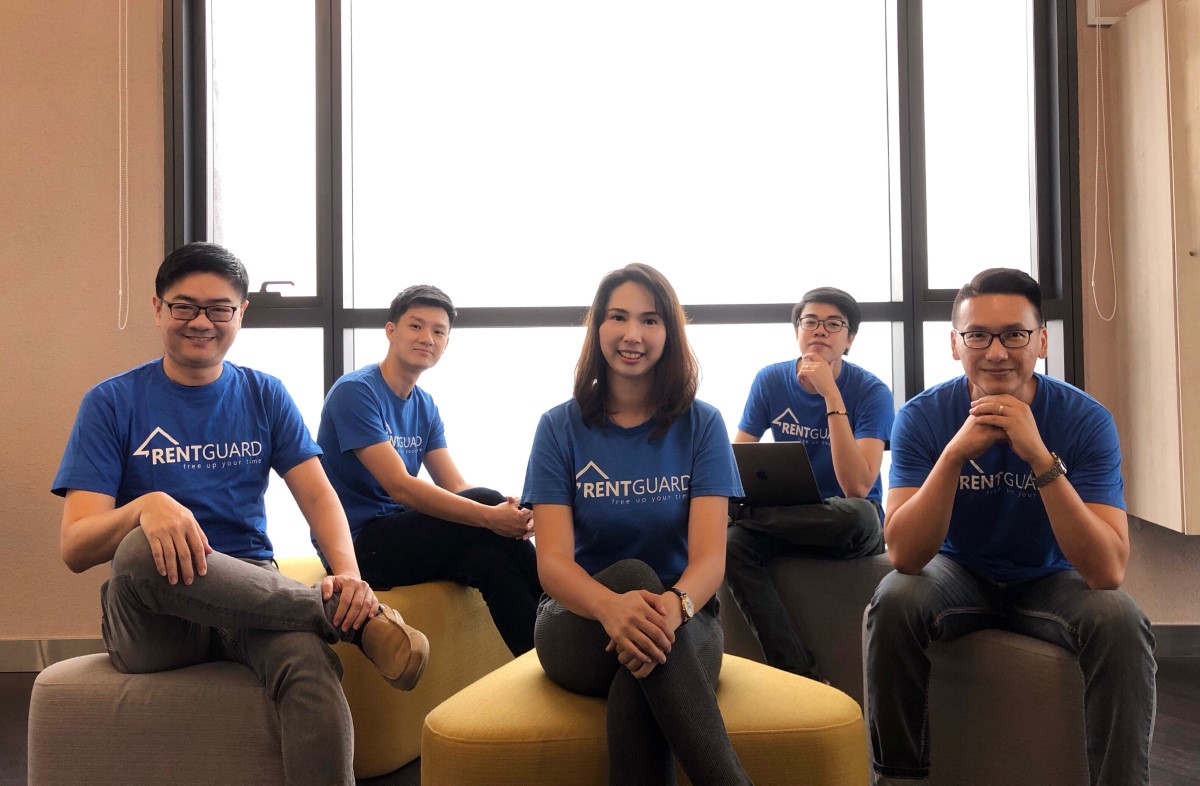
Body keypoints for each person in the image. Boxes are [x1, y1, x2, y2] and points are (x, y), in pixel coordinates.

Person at [52, 242, 428, 786]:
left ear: (240, 314)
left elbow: (320, 497)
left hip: (250, 593)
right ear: (158, 309)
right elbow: (75, 547)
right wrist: (147, 507)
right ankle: (347, 621)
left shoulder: (264, 394)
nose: (201, 321)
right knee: (138, 546)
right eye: (184, 307)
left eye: (218, 308)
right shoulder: (111, 402)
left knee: (311, 664)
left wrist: (347, 575)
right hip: (154, 620)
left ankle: (331, 613)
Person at [865, 268, 1156, 786]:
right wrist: (954, 454)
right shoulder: (921, 417)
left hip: (1051, 579)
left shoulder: (1085, 420)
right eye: (977, 335)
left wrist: (1039, 456)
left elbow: (1108, 569)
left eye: (1014, 335)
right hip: (958, 572)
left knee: (1120, 617)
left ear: (1041, 341)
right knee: (894, 600)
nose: (996, 352)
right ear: (955, 345)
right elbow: (906, 557)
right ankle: (899, 778)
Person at [522, 263, 752, 785]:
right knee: (631, 577)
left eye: (649, 320)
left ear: (669, 332)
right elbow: (552, 563)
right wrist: (611, 607)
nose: (632, 334)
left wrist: (671, 607)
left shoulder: (703, 424)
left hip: (685, 618)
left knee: (641, 673)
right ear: (597, 328)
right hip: (576, 623)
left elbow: (710, 559)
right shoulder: (559, 428)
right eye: (618, 317)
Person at [316, 284, 541, 656]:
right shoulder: (355, 392)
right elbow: (400, 487)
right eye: (416, 326)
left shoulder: (424, 405)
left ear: (447, 342)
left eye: (438, 331)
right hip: (359, 546)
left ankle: (544, 661)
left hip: (403, 538)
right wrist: (489, 513)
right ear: (391, 331)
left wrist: (507, 509)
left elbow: (454, 484)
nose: (427, 338)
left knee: (491, 561)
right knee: (486, 506)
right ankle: (563, 615)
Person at [725, 287, 894, 681]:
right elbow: (736, 460)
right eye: (810, 322)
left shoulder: (871, 393)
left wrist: (831, 395)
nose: (820, 331)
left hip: (850, 525)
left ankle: (746, 518)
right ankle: (800, 673)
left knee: (855, 514)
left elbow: (857, 486)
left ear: (849, 339)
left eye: (834, 324)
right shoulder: (770, 380)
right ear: (797, 331)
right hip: (788, 518)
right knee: (732, 546)